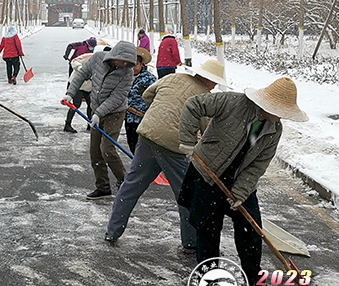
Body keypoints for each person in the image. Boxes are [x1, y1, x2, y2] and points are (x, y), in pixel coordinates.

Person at [177, 77, 308, 286]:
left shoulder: (275, 129)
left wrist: (240, 192)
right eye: (279, 110)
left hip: (239, 179)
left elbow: (258, 164)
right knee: (209, 230)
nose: (280, 116)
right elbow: (193, 105)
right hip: (208, 175)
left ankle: (253, 278)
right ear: (266, 104)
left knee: (251, 228)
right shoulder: (231, 103)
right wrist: (187, 140)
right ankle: (208, 278)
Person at [104, 59, 228, 247]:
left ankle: (112, 232)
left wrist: (160, 110)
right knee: (187, 195)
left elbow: (147, 95)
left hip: (148, 136)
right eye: (215, 82)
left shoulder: (173, 78)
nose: (214, 86)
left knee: (130, 187)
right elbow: (207, 129)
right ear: (209, 80)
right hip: (173, 147)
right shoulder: (204, 97)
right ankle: (191, 241)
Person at [62, 41, 137, 200]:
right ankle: (102, 187)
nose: (124, 64)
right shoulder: (98, 59)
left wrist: (98, 113)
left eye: (128, 62)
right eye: (123, 60)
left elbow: (118, 97)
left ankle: (124, 182)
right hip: (97, 110)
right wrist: (70, 93)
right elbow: (81, 75)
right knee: (95, 152)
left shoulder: (127, 73)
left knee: (107, 149)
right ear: (115, 55)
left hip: (115, 112)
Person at [124, 47, 157, 153]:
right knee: (132, 145)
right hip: (128, 119)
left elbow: (155, 98)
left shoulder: (149, 79)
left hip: (142, 119)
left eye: (135, 64)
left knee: (143, 150)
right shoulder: (124, 77)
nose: (132, 68)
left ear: (141, 64)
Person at [63, 52, 93, 133]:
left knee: (91, 105)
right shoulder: (90, 56)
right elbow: (74, 61)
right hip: (77, 84)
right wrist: (81, 69)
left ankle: (90, 125)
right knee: (76, 104)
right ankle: (67, 125)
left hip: (89, 86)